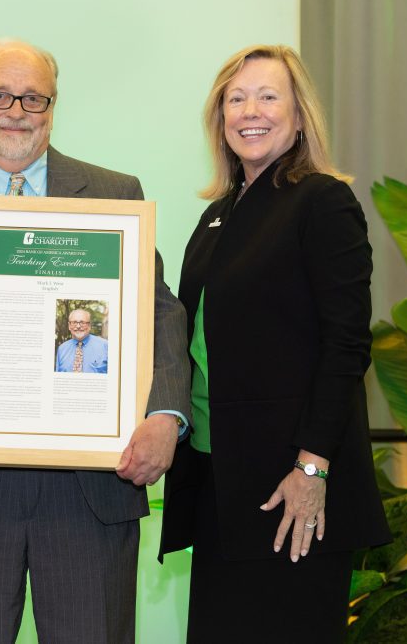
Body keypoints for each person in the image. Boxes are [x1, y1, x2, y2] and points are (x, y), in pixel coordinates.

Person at [0, 38, 191, 643]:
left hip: (89, 490)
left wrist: (165, 415)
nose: (16, 112)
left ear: (53, 107)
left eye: (34, 98)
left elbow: (161, 312)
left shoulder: (115, 194)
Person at [158, 45, 390, 642]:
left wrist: (311, 467)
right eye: (235, 99)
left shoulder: (322, 201)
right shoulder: (217, 217)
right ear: (220, 119)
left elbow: (346, 344)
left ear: (299, 114)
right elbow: (193, 338)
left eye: (267, 96)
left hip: (291, 488)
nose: (250, 111)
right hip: (218, 480)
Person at [55, 308, 108, 373]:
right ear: (69, 326)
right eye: (74, 322)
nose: (78, 326)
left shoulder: (105, 346)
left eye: (82, 322)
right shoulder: (62, 349)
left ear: (89, 326)